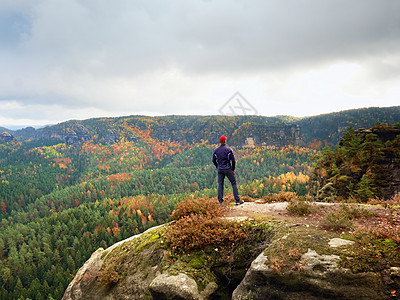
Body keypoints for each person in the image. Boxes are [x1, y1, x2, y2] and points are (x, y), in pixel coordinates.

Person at [212, 136, 244, 205]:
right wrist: (233, 169)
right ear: (225, 141)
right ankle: (237, 200)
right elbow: (233, 160)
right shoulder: (228, 150)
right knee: (233, 183)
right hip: (228, 169)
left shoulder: (216, 150)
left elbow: (213, 160)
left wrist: (217, 166)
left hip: (220, 169)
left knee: (220, 185)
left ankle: (220, 201)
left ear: (220, 142)